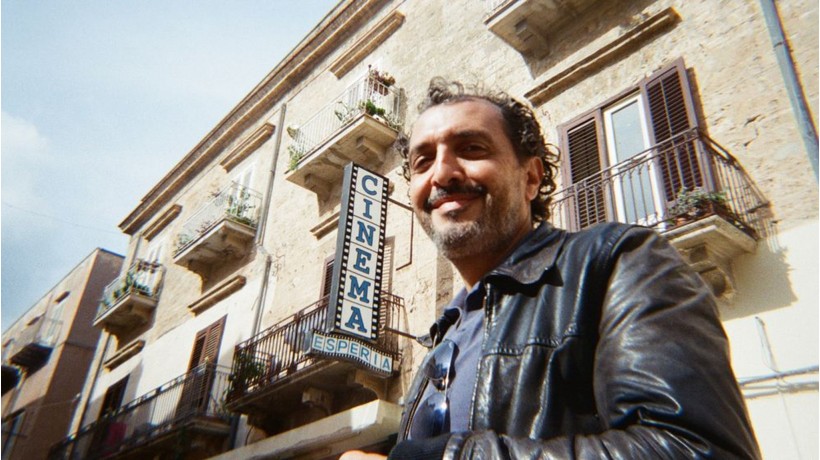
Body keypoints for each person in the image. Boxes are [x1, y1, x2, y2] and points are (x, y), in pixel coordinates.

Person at [342, 78, 760, 459]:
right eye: (422, 161)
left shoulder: (616, 263)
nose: (442, 173)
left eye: (471, 149)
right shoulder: (445, 335)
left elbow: (696, 449)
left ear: (531, 177)